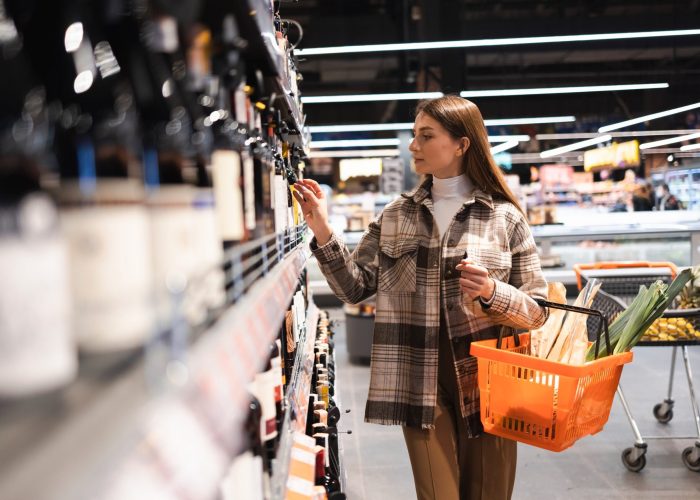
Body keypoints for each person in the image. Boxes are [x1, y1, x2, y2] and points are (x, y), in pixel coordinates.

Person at [293, 95, 547, 500]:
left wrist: (491, 292)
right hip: (418, 379)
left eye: (425, 136)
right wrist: (322, 229)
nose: (414, 145)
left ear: (462, 144)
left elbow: (537, 311)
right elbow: (354, 287)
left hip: (490, 380)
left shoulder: (504, 218)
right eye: (414, 135)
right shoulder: (396, 215)